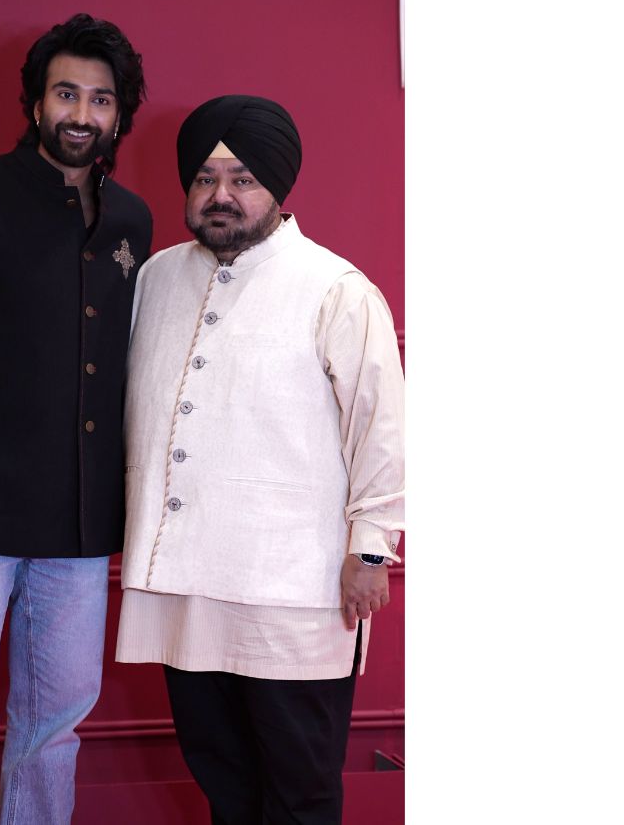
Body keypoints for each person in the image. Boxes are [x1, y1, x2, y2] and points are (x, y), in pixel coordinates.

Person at [116, 95, 404, 825]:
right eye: (205, 178)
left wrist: (372, 550)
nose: (221, 195)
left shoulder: (335, 288)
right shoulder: (156, 278)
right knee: (225, 786)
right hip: (184, 591)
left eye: (242, 179)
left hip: (295, 594)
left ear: (277, 187)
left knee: (300, 792)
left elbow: (382, 428)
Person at [0, 13, 151, 825]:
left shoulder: (132, 221)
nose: (82, 114)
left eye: (101, 100)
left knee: (55, 728)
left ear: (119, 115)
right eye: (66, 94)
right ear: (37, 102)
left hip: (80, 524)